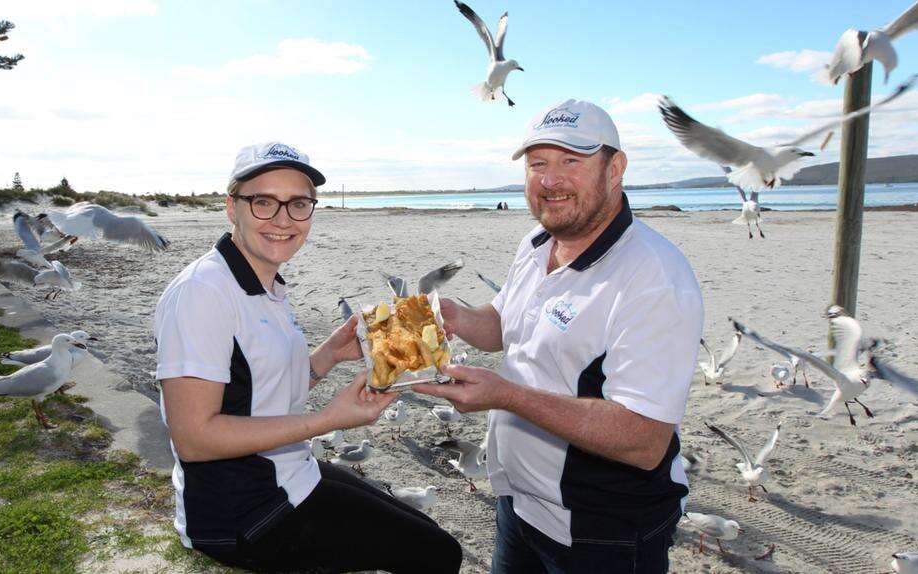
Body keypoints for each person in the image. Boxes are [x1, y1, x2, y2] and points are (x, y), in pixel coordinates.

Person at [415, 100, 703, 574]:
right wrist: (460, 317)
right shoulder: (536, 243)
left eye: (572, 161)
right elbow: (507, 325)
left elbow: (644, 438)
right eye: (538, 164)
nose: (550, 180)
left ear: (616, 169)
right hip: (519, 506)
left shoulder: (653, 277)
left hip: (602, 531)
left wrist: (505, 396)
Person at [154, 141, 462, 573]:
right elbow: (194, 439)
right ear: (231, 207)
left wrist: (331, 354)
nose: (283, 219)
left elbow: (259, 388)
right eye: (264, 202)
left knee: (421, 527)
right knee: (438, 554)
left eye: (298, 204)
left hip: (285, 468)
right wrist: (328, 421)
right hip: (243, 510)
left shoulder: (263, 283)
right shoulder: (201, 294)